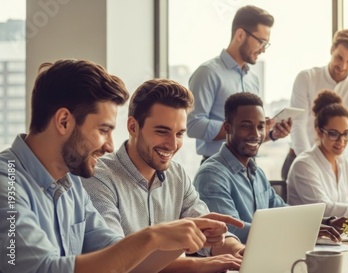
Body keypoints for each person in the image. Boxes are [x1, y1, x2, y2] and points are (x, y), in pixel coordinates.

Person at [0, 59, 241, 273]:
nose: (109, 145)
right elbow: (44, 268)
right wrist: (155, 236)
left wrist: (185, 237)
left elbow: (122, 261)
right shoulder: (6, 184)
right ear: (64, 121)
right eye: (103, 130)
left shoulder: (71, 184)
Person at [82, 78, 245, 273]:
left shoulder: (177, 175)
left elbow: (207, 231)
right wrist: (197, 265)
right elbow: (116, 260)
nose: (172, 144)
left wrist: (238, 251)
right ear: (133, 127)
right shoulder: (98, 178)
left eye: (179, 134)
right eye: (162, 131)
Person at [193, 92, 343, 244]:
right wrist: (304, 230)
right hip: (233, 263)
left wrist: (326, 222)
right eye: (246, 126)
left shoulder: (257, 173)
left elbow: (280, 210)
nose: (255, 134)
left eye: (260, 127)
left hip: (266, 253)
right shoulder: (211, 175)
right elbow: (231, 230)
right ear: (227, 128)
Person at [284, 29, 348, 194]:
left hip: (333, 164)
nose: (342, 66)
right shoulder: (306, 78)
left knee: (334, 215)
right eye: (339, 57)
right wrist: (309, 163)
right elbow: (298, 125)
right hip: (299, 159)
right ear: (331, 50)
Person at [187, 5, 291, 163]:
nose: (263, 50)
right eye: (261, 42)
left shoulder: (253, 80)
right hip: (217, 166)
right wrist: (239, 128)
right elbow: (193, 125)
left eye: (266, 44)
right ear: (241, 34)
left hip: (248, 167)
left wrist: (271, 133)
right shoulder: (208, 72)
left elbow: (249, 138)